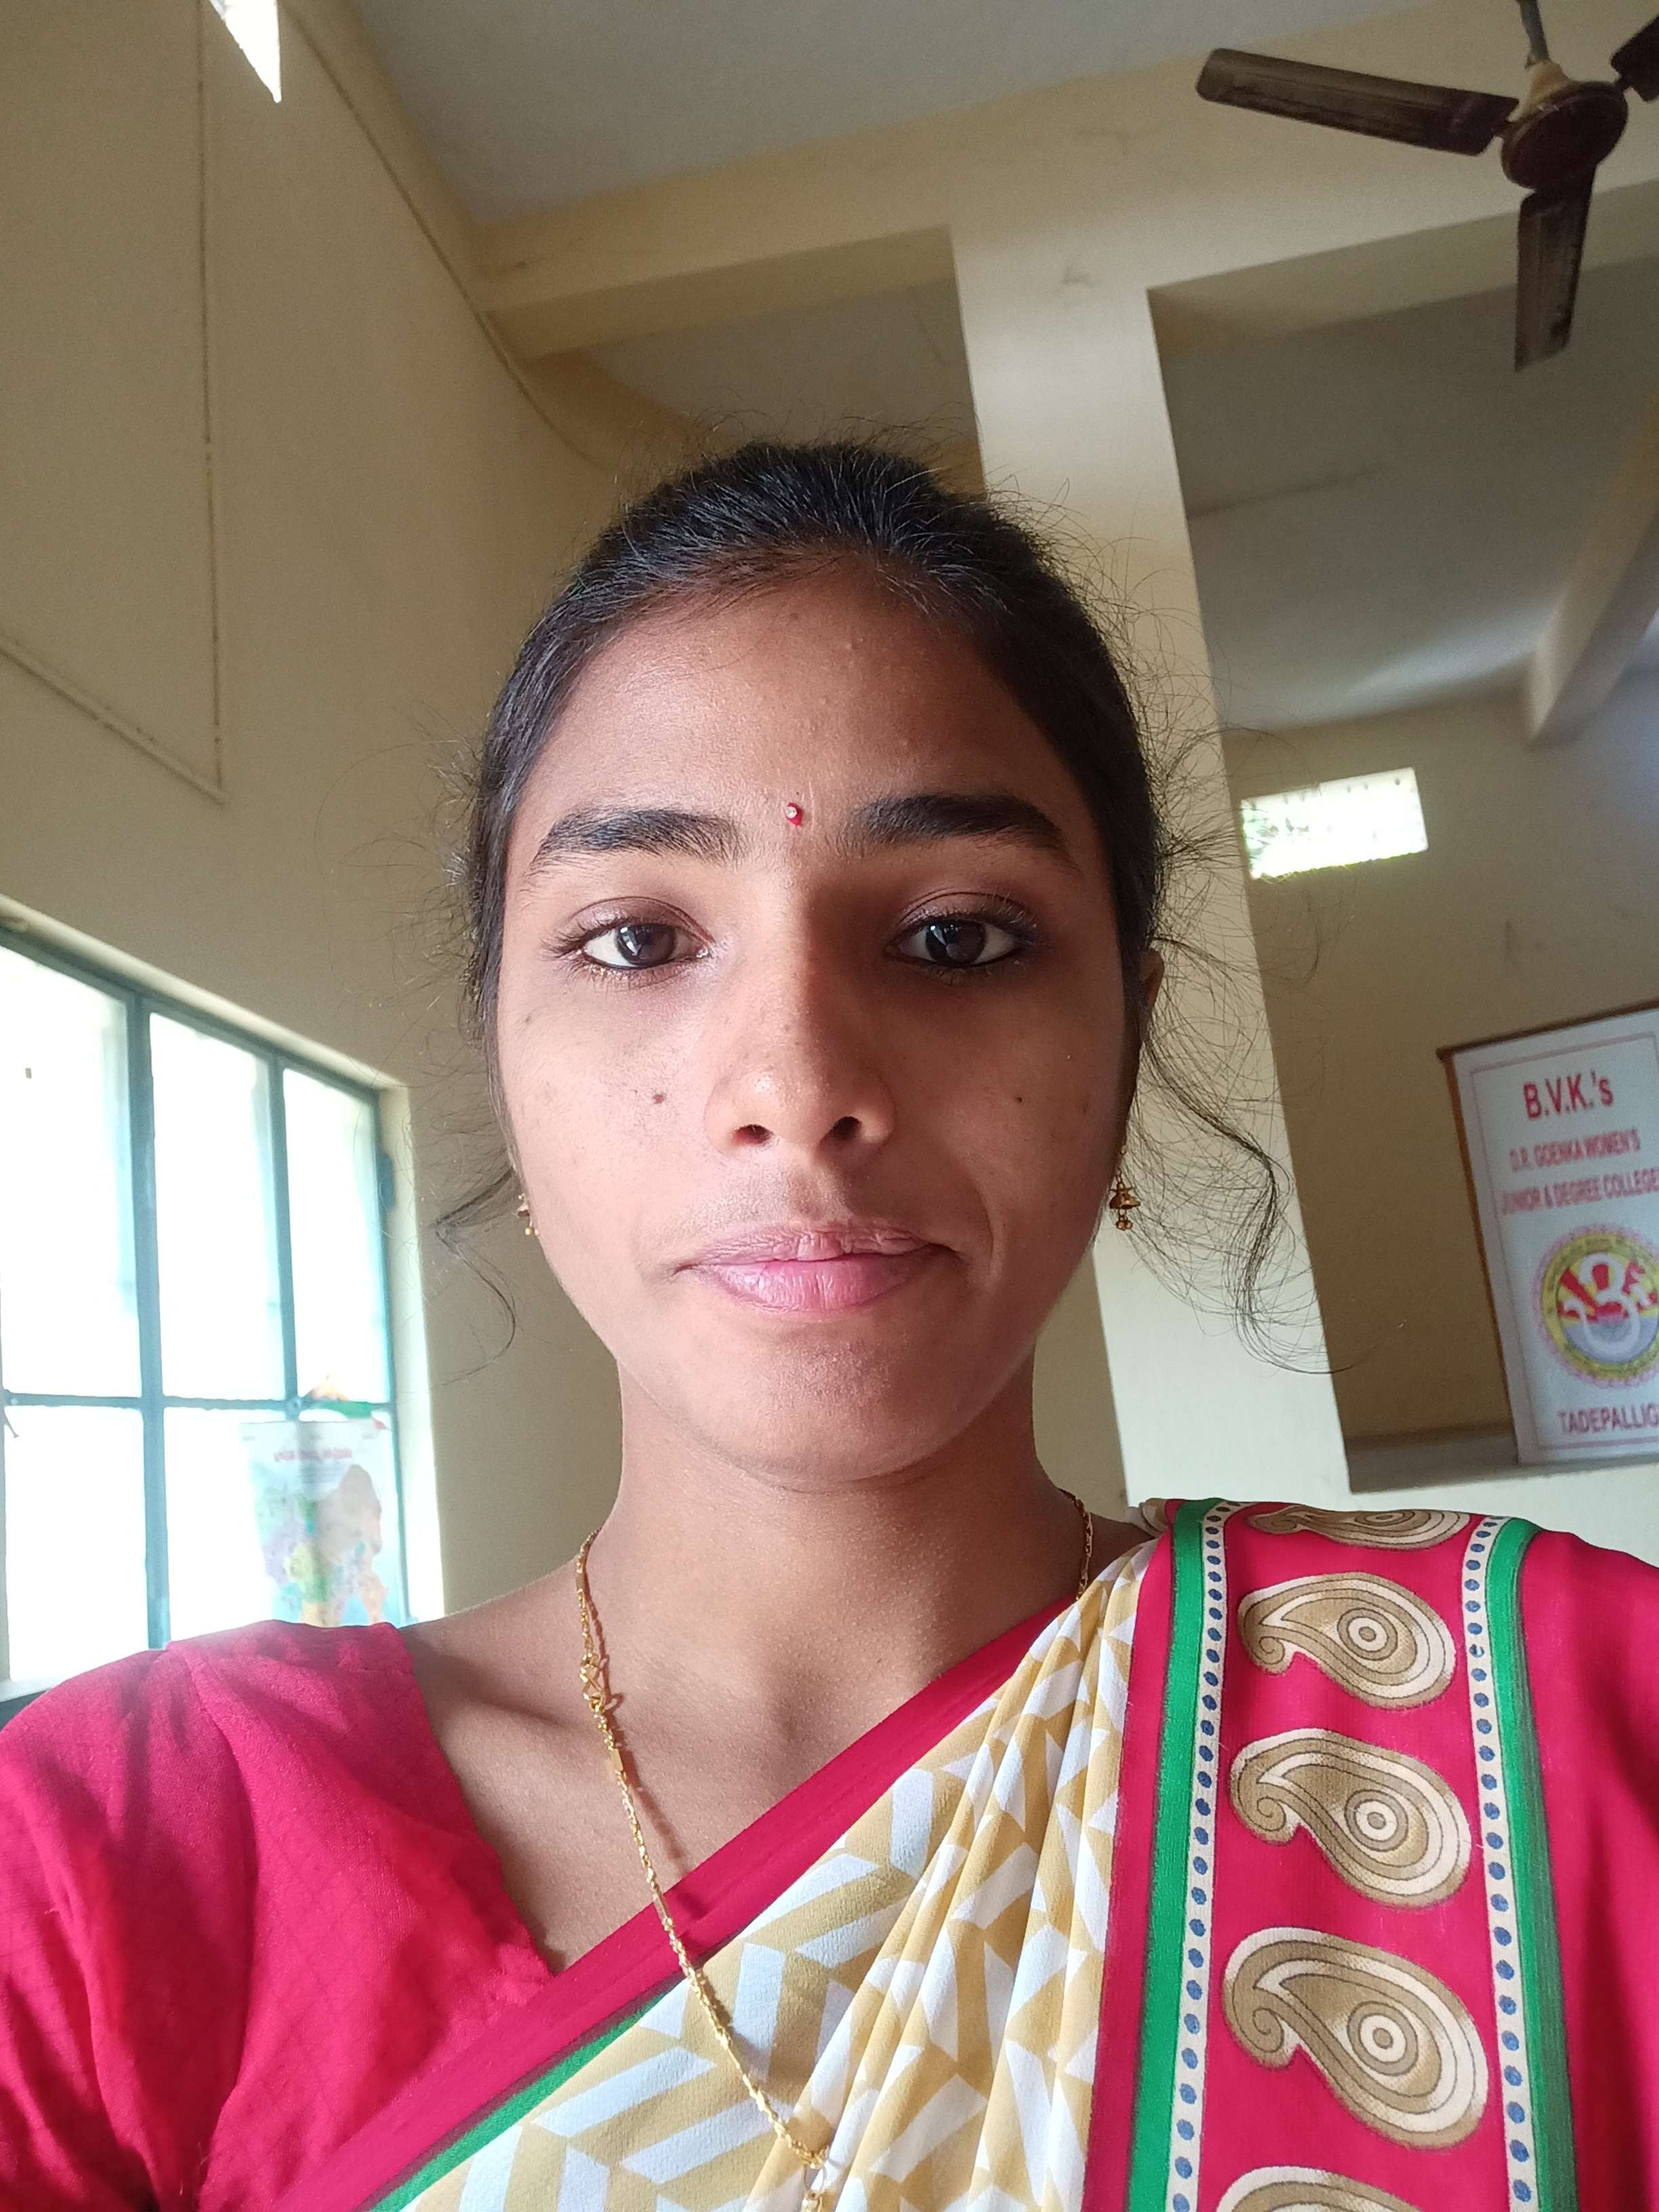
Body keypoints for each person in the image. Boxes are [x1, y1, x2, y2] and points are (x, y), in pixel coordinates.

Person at [2, 442, 1655, 2212]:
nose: (796, 1086)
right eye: (636, 942)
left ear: (1124, 1045)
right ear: (501, 1054)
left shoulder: (1561, 1730)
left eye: (957, 939)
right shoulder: (109, 1863)